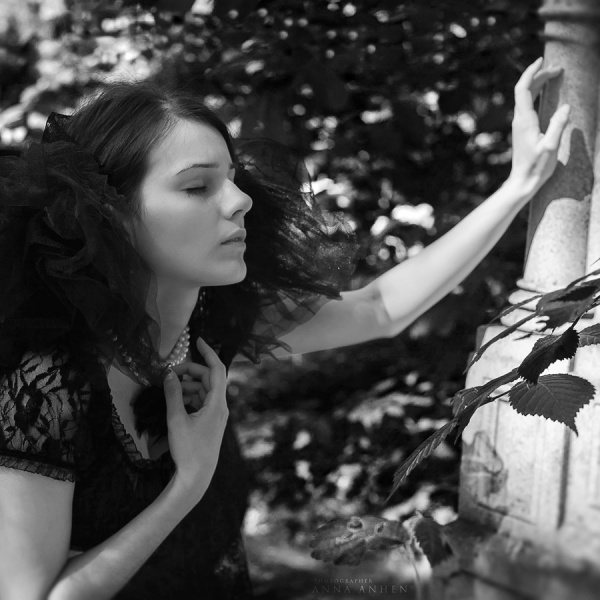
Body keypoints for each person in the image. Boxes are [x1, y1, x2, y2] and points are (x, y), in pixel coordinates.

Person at [0, 56, 568, 599]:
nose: (240, 201)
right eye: (197, 187)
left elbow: (379, 309)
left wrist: (519, 184)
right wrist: (188, 483)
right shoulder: (46, 387)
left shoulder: (209, 326)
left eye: (232, 179)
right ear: (111, 214)